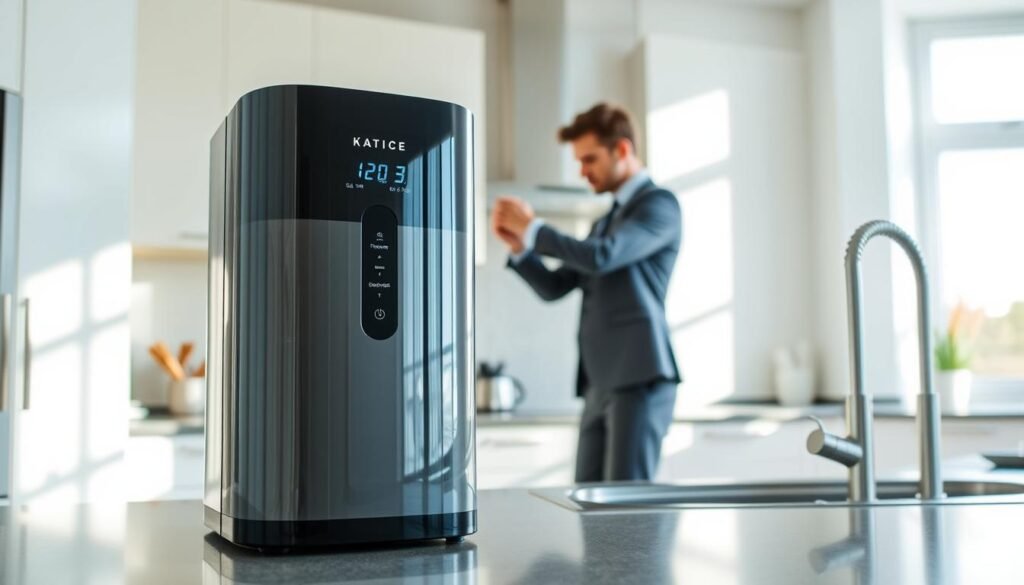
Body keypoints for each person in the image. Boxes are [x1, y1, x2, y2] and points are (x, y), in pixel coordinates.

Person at [492, 102, 683, 482]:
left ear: (623, 150)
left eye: (589, 159)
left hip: (639, 380)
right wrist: (520, 248)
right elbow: (555, 286)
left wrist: (535, 229)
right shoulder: (603, 223)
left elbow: (601, 257)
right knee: (589, 506)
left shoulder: (659, 205)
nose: (582, 171)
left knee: (626, 516)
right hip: (599, 383)